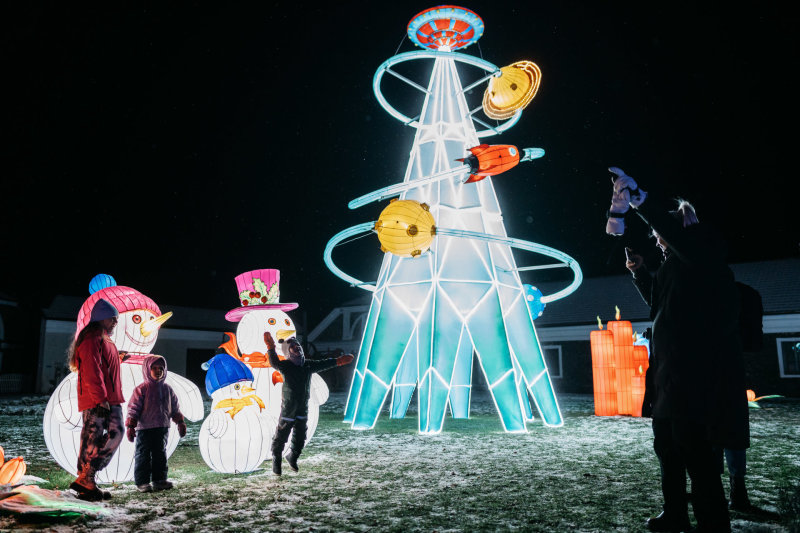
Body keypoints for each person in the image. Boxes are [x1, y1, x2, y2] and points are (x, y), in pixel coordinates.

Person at [608, 167, 748, 533]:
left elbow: (680, 240)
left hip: (696, 383)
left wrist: (639, 200)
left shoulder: (704, 259)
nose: (656, 241)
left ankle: (713, 524)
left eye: (659, 234)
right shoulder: (672, 269)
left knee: (700, 462)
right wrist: (640, 273)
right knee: (668, 455)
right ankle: (674, 515)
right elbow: (658, 310)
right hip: (668, 381)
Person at [264, 331, 353, 476]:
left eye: (298, 346)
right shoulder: (286, 366)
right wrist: (270, 347)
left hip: (302, 408)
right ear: (288, 351)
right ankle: (276, 458)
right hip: (289, 408)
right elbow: (274, 362)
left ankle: (293, 456)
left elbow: (324, 364)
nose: (297, 348)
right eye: (293, 347)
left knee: (300, 436)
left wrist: (339, 361)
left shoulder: (307, 365)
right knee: (282, 435)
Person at [66, 298, 125, 501]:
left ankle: (86, 477)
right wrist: (100, 399)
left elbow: (104, 364)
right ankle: (87, 479)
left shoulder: (103, 338)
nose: (115, 322)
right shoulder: (92, 338)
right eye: (112, 318)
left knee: (111, 434)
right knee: (96, 436)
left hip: (110, 398)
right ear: (101, 318)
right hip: (99, 400)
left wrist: (118, 357)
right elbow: (92, 370)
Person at [125, 354, 187, 492]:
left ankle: (159, 480)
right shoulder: (141, 389)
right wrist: (131, 425)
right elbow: (133, 408)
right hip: (145, 428)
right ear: (147, 369)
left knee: (160, 455)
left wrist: (180, 422)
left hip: (162, 427)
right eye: (154, 368)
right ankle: (142, 482)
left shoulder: (167, 389)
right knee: (143, 455)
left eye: (161, 368)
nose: (158, 370)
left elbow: (175, 408)